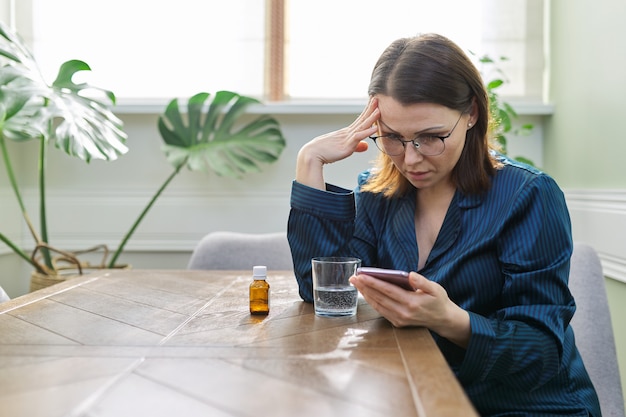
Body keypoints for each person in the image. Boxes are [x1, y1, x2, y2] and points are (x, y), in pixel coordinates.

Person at [287, 33, 601, 416]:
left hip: (524, 406)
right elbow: (325, 293)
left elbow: (540, 352)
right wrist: (309, 162)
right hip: (419, 397)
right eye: (393, 138)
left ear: (471, 113)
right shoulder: (376, 195)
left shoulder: (529, 195)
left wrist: (452, 321)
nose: (411, 158)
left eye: (431, 137)